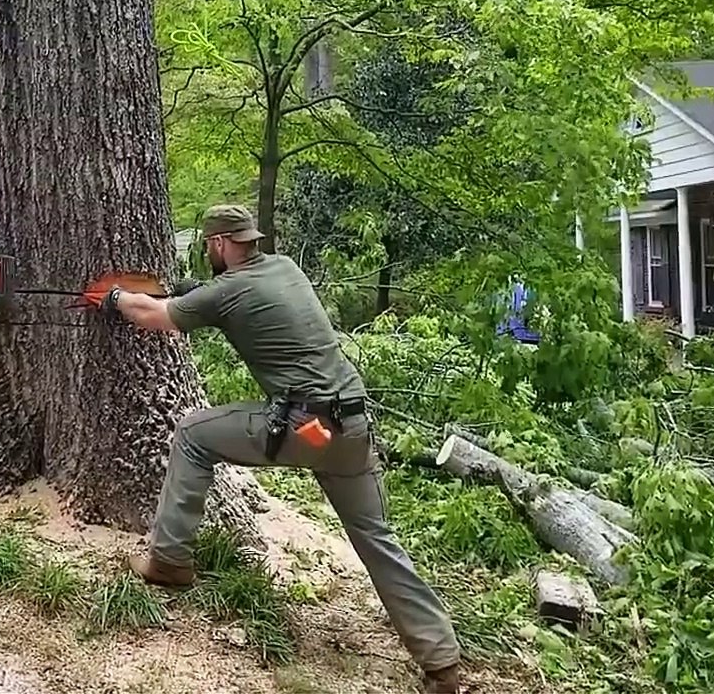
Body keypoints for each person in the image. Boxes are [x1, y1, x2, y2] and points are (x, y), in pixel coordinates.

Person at [103, 204, 462, 694]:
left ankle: (168, 560)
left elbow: (156, 316)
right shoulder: (285, 268)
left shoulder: (230, 289)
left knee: (192, 432)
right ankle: (441, 662)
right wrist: (190, 292)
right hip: (351, 427)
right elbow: (222, 299)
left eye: (210, 247)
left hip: (305, 426)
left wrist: (116, 297)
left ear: (218, 245)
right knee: (376, 539)